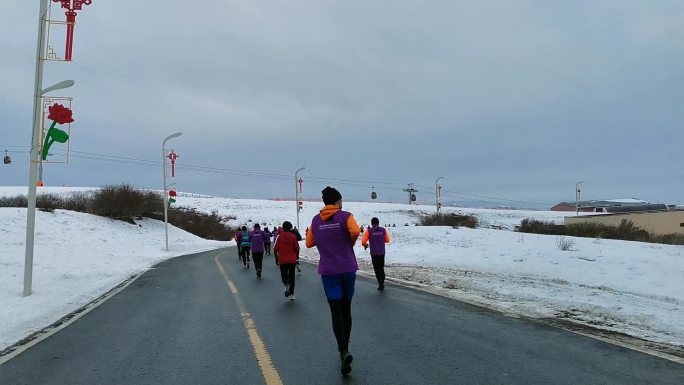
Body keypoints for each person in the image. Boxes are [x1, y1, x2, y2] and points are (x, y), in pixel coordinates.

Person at [306, 186, 361, 376]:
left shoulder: (315, 220)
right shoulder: (346, 216)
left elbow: (309, 243)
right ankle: (346, 347)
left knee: (335, 311)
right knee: (347, 309)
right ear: (337, 201)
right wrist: (348, 242)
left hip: (329, 271)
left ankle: (343, 350)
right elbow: (355, 231)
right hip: (347, 268)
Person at [361, 217, 391, 290]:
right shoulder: (383, 230)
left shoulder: (369, 231)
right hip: (382, 252)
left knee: (376, 268)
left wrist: (366, 245)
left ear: (371, 223)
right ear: (378, 222)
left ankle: (380, 283)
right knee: (381, 267)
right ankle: (382, 281)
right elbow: (387, 240)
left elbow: (363, 241)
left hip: (374, 253)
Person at [274, 221, 300, 300]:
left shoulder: (279, 236)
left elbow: (275, 248)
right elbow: (297, 248)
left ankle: (286, 284)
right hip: (292, 260)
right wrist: (296, 257)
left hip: (283, 260)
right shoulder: (293, 236)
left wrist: (276, 259)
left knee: (284, 276)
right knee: (292, 277)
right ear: (290, 227)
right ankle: (292, 294)